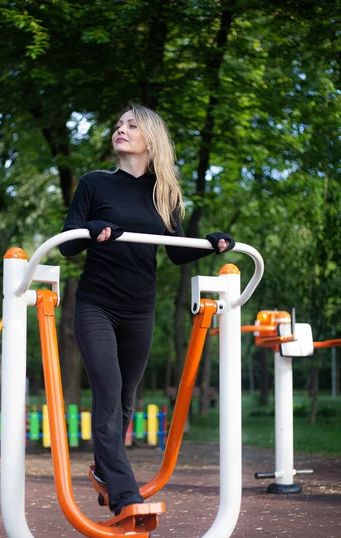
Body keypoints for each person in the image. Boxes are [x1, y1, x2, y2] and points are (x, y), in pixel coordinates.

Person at [59, 103, 234, 517]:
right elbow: (67, 244)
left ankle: (105, 470)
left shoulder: (165, 194)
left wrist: (211, 243)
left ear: (150, 140)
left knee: (124, 399)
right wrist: (92, 233)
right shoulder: (94, 183)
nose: (120, 129)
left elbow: (176, 253)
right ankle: (125, 497)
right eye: (118, 123)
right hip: (96, 305)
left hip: (139, 309)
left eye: (131, 125)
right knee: (107, 391)